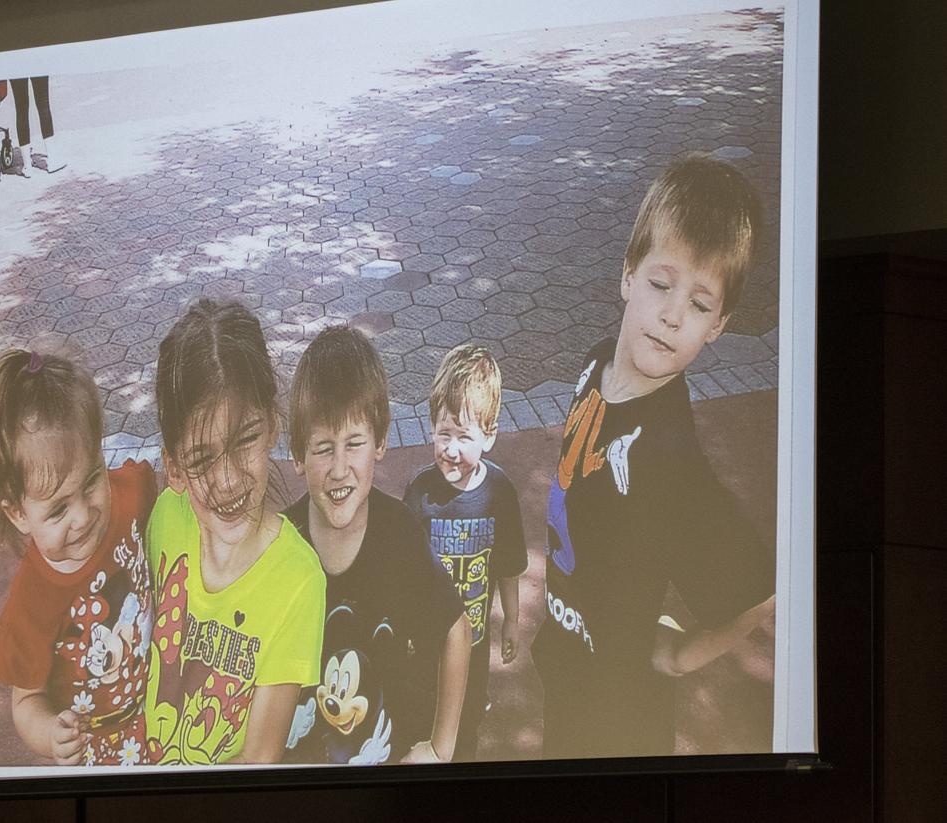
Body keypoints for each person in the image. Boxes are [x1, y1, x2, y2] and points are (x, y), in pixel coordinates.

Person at [533, 154, 776, 759]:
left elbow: (758, 591)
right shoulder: (595, 364)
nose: (672, 314)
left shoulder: (671, 461)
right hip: (567, 665)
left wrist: (679, 655)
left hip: (618, 717)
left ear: (718, 324)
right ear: (628, 275)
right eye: (661, 285)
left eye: (699, 304)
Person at [144, 298, 326, 766]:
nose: (227, 480)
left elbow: (259, 759)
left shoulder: (300, 580)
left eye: (244, 439)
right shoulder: (165, 516)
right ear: (174, 469)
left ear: (272, 426)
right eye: (202, 459)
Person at [283, 326, 471, 765]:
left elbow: (456, 629)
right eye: (322, 448)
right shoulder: (282, 542)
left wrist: (442, 748)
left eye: (354, 444)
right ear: (297, 455)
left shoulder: (400, 533)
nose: (339, 467)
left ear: (381, 442)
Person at [0, 349, 157, 766]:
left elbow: (163, 488)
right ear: (18, 512)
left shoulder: (130, 494)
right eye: (58, 509)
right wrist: (50, 735)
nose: (83, 516)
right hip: (94, 751)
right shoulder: (30, 600)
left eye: (92, 480)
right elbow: (26, 700)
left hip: (159, 715)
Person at [403, 344, 527, 761]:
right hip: (423, 643)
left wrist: (511, 619)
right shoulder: (420, 493)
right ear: (431, 428)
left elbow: (508, 567)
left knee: (465, 729)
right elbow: (404, 569)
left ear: (489, 436)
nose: (451, 450)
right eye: (444, 434)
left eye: (464, 437)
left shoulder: (500, 494)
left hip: (473, 645)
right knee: (420, 724)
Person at [10, 76, 65, 176]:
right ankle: (53, 159)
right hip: (35, 62)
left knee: (21, 109)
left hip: (14, 64)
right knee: (43, 104)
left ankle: (27, 166)